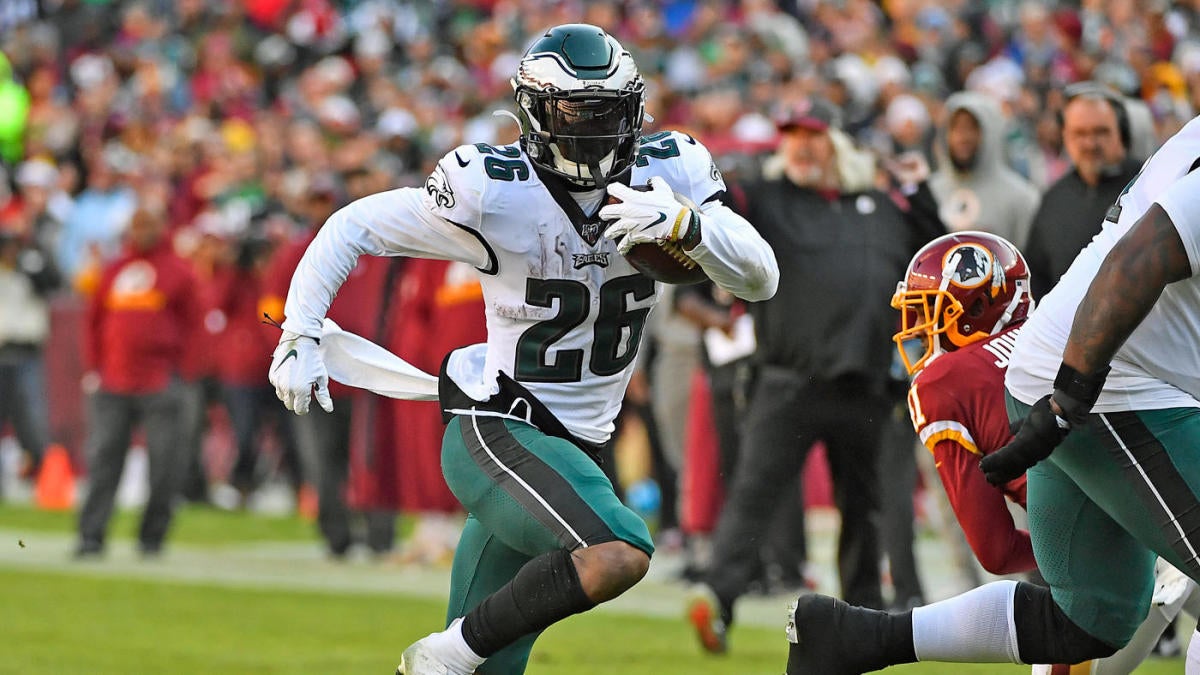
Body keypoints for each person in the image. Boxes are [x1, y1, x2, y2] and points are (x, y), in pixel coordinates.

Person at [267, 24, 778, 675]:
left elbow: (760, 278)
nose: (592, 130)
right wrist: (300, 329)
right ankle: (443, 653)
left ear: (635, 109)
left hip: (572, 443)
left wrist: (690, 225)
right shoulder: (494, 186)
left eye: (607, 112)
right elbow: (352, 225)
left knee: (492, 669)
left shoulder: (669, 170)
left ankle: (451, 658)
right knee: (617, 549)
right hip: (500, 427)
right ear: (535, 111)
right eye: (574, 111)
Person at [784, 113, 1200, 675]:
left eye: (929, 312)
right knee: (1095, 611)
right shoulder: (959, 378)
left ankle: (859, 636)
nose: (918, 329)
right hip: (1106, 390)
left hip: (1100, 389)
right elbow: (1137, 263)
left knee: (1086, 618)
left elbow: (998, 550)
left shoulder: (950, 379)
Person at [687, 96, 943, 655]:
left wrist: (918, 190)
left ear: (837, 141)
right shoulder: (770, 198)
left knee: (864, 510)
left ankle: (861, 619)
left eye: (813, 134)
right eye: (792, 134)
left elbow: (934, 249)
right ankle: (719, 598)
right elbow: (716, 214)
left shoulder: (878, 203)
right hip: (789, 378)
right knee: (754, 494)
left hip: (867, 383)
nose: (800, 145)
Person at [75, 208, 200, 558]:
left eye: (149, 224)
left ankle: (151, 537)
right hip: (114, 381)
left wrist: (184, 372)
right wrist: (94, 367)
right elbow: (94, 321)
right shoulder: (114, 269)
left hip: (161, 381)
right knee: (103, 461)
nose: (143, 231)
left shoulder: (178, 272)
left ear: (163, 227)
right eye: (138, 225)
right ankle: (91, 535)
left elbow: (195, 325)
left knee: (165, 465)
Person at [1024, 83, 1141, 299]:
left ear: (1122, 134)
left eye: (1101, 132)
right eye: (1079, 133)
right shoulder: (1053, 200)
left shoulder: (1149, 184)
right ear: (1065, 136)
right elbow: (1036, 282)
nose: (1090, 143)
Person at [928, 91, 1040, 247]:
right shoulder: (930, 193)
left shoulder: (1022, 198)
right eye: (955, 128)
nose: (962, 138)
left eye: (971, 128)